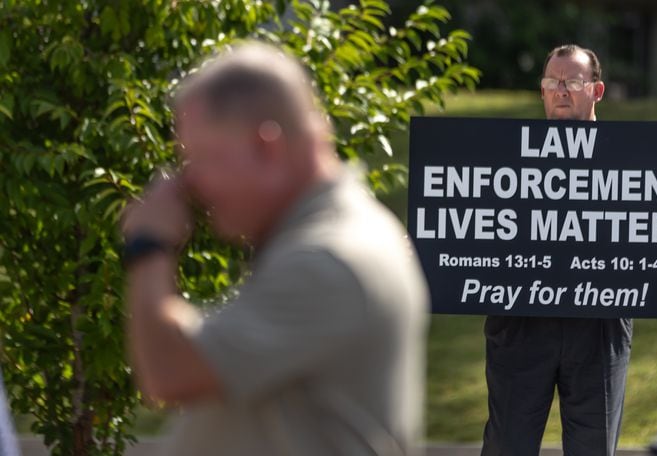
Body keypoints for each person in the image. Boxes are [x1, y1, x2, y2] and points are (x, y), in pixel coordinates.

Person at [121, 42, 429, 456]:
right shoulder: (326, 239)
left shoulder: (327, 260)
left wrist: (149, 244)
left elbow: (169, 371)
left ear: (267, 147)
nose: (190, 186)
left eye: (203, 159)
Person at [480, 44, 657, 456]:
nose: (561, 91)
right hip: (520, 324)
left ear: (597, 90)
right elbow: (463, 225)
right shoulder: (506, 157)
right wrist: (427, 250)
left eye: (572, 81)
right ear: (541, 92)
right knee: (506, 448)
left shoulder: (633, 160)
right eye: (552, 82)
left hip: (600, 327)